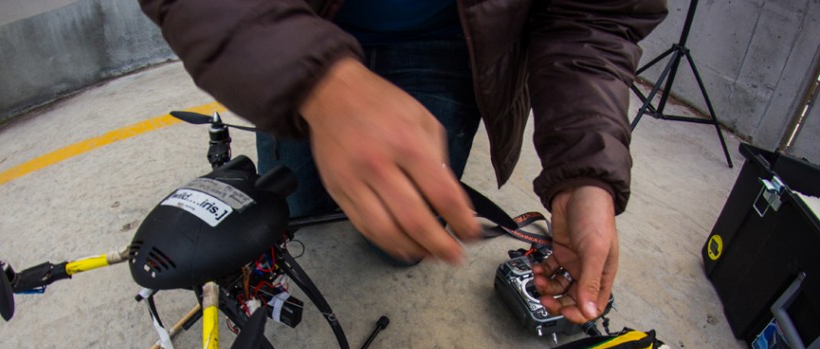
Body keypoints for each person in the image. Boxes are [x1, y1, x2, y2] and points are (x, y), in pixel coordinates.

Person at [137, 0, 667, 325]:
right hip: (297, 22)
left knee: (400, 243)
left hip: (445, 50)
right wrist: (314, 81)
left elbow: (596, 16)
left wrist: (584, 173)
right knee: (293, 211)